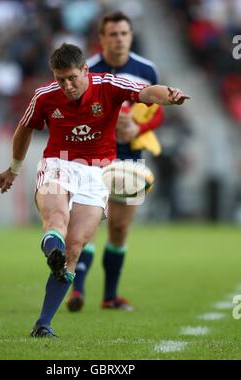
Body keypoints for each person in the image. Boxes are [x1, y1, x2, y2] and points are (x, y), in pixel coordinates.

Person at [0, 43, 189, 338]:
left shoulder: (109, 84)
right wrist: (14, 168)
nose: (67, 85)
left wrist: (170, 96)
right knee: (56, 219)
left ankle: (43, 324)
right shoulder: (44, 96)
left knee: (74, 247)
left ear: (86, 70)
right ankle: (53, 254)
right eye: (61, 79)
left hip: (98, 171)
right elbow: (24, 128)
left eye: (72, 77)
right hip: (58, 164)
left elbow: (147, 92)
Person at [67, 12, 164, 312]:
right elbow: (74, 110)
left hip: (130, 155)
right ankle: (77, 291)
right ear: (102, 38)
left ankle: (109, 296)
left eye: (124, 33)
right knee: (87, 224)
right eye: (113, 34)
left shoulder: (146, 69)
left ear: (131, 36)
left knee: (120, 228)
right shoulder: (88, 70)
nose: (119, 39)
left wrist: (139, 128)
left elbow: (157, 109)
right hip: (93, 154)